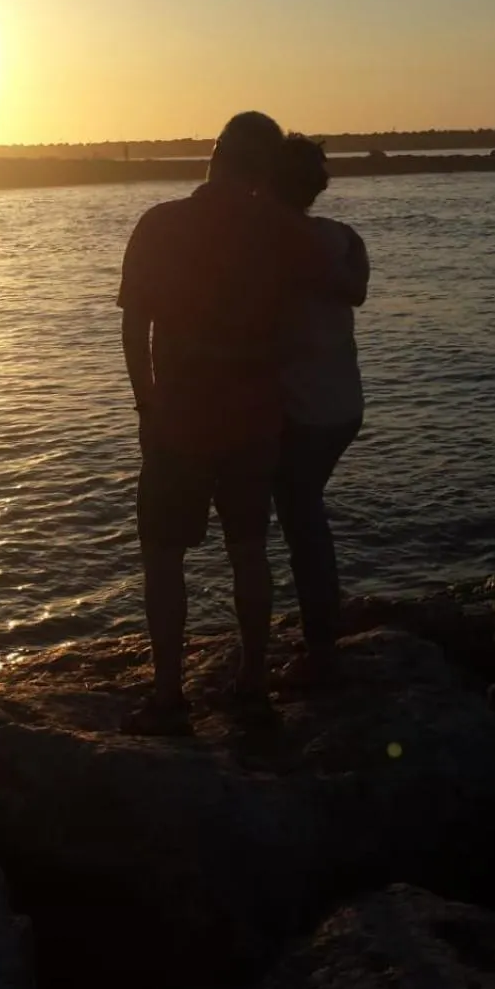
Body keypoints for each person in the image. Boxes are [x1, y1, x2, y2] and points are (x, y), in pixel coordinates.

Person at [117, 112, 365, 735]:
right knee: (249, 552)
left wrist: (146, 405)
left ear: (213, 154)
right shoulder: (274, 231)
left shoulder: (161, 223)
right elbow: (345, 281)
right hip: (255, 416)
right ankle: (253, 683)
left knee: (163, 555)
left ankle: (169, 697)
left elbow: (133, 326)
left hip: (178, 415)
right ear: (262, 170)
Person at [271, 134, 369, 688]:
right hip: (345, 406)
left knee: (300, 521)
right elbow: (356, 290)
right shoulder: (346, 238)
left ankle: (320, 642)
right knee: (305, 516)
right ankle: (319, 630)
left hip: (302, 412)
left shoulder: (267, 247)